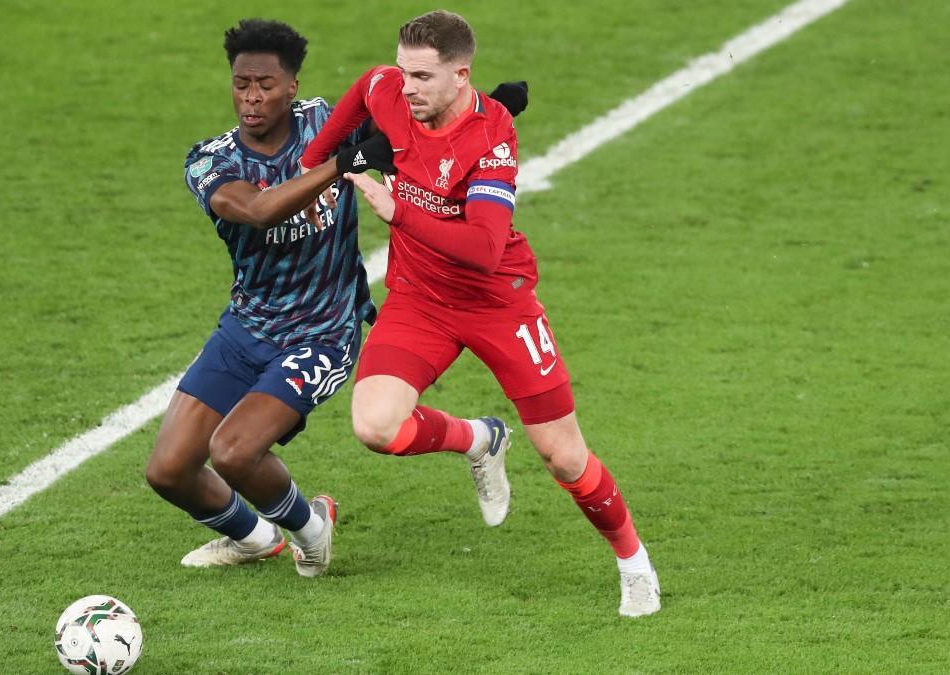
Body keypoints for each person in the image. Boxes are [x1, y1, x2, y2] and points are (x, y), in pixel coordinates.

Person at [299, 9, 661, 615]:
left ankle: (634, 563)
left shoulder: (492, 134)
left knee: (564, 456)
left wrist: (397, 211)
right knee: (375, 427)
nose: (404, 85)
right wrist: (319, 169)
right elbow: (352, 108)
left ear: (461, 76)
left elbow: (484, 247)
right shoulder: (388, 90)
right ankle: (479, 440)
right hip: (419, 300)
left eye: (421, 76)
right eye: (404, 71)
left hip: (498, 303)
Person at [144, 18, 529, 578]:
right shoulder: (211, 161)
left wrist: (496, 108)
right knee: (168, 470)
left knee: (232, 451)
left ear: (292, 86)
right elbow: (255, 210)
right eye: (241, 84)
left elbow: (427, 119)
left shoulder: (327, 122)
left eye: (266, 85)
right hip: (247, 326)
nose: (252, 98)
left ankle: (311, 528)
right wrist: (343, 164)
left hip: (324, 331)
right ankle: (254, 538)